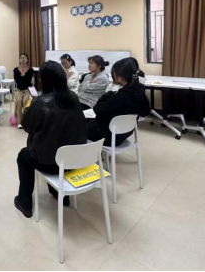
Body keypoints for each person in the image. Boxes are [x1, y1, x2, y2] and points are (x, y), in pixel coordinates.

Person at [14, 61, 88, 218]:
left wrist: (31, 106)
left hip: (50, 163)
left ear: (43, 80)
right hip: (75, 160)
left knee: (23, 156)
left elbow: (27, 126)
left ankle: (24, 202)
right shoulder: (73, 97)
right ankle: (60, 194)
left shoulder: (41, 102)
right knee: (56, 145)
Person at [87, 58, 151, 147]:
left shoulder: (118, 97)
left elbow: (97, 109)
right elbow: (146, 112)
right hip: (124, 134)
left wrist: (110, 93)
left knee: (78, 125)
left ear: (120, 77)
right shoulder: (139, 93)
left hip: (107, 137)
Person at [13, 53, 34, 128]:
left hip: (27, 89)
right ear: (19, 60)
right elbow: (18, 81)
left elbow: (28, 81)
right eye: (21, 58)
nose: (22, 59)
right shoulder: (16, 70)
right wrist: (23, 76)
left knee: (25, 100)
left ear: (27, 60)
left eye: (24, 58)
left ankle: (26, 120)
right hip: (19, 89)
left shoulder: (30, 69)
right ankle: (19, 121)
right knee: (18, 100)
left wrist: (22, 76)